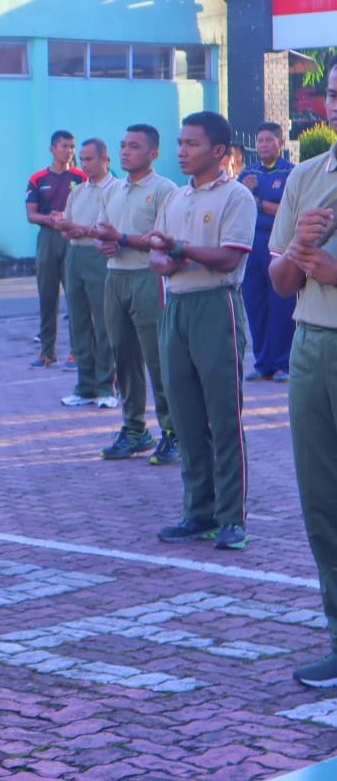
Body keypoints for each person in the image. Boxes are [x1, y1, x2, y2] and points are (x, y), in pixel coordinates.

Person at [148, 111, 255, 551]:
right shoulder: (175, 198)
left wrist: (180, 251)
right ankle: (199, 511)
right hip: (176, 307)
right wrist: (172, 257)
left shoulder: (236, 197)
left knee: (223, 417)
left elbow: (228, 258)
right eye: (180, 142)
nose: (182, 151)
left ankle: (231, 518)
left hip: (216, 306)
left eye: (192, 144)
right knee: (186, 417)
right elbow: (157, 255)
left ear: (219, 151)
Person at [268, 57, 337, 687]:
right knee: (322, 498)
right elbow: (281, 281)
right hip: (313, 344)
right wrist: (297, 247)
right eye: (333, 95)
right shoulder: (308, 177)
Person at [90, 125, 180, 463]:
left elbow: (165, 240)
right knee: (123, 356)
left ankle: (173, 430)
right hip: (115, 278)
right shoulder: (112, 189)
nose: (126, 152)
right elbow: (102, 232)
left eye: (135, 146)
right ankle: (134, 429)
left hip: (148, 278)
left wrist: (123, 239)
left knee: (158, 358)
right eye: (123, 145)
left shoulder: (164, 190)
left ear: (153, 153)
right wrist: (104, 243)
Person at [53, 139, 117, 409]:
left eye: (90, 159)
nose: (84, 164)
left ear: (105, 160)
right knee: (78, 322)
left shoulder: (116, 189)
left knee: (103, 323)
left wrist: (80, 229)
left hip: (98, 256)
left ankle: (106, 386)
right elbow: (69, 227)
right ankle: (85, 386)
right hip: (75, 255)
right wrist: (63, 226)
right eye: (82, 160)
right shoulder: (77, 191)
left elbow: (112, 229)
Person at [239, 122, 296, 381]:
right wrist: (246, 192)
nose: (263, 145)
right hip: (252, 247)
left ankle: (284, 362)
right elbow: (236, 206)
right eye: (259, 140)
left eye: (268, 140)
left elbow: (291, 211)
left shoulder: (291, 173)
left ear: (280, 143)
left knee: (281, 304)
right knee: (255, 304)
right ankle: (263, 363)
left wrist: (259, 203)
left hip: (279, 246)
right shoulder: (248, 174)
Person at [25, 131, 85, 367]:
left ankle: (77, 351)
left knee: (75, 296)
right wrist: (49, 218)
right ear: (52, 149)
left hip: (73, 236)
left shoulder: (81, 178)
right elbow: (31, 215)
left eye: (72, 146)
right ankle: (47, 352)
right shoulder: (38, 179)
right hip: (48, 238)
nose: (69, 151)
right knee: (47, 296)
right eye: (64, 146)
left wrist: (69, 220)